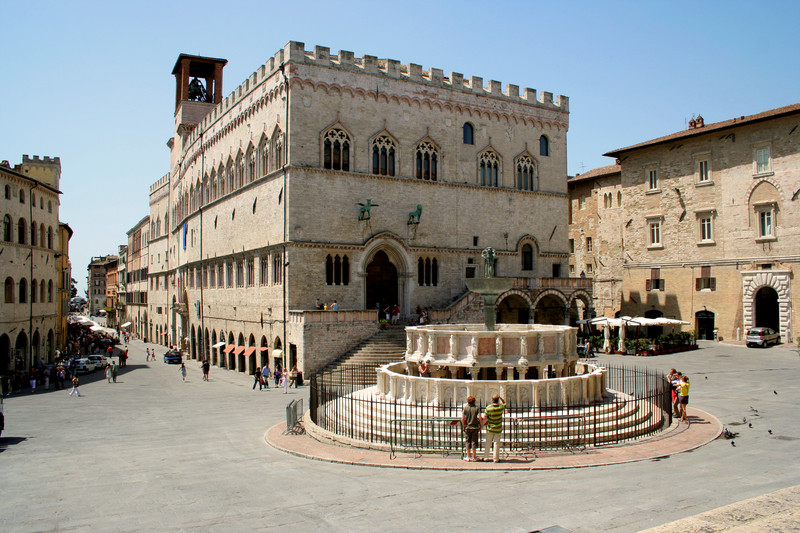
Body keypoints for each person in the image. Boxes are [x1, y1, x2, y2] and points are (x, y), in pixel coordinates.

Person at [483, 394, 506, 463]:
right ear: (498, 400)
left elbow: (485, 417)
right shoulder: (500, 407)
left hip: (490, 428)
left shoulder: (488, 408)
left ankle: (486, 457)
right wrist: (501, 397)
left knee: (488, 443)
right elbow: (505, 403)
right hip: (498, 428)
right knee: (496, 443)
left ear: (492, 400)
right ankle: (496, 458)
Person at [462, 395, 482, 462]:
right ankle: (474, 456)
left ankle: (468, 456)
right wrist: (481, 425)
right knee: (474, 442)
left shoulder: (465, 408)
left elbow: (463, 418)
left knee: (468, 442)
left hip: (467, 427)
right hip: (475, 427)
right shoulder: (477, 408)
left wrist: (463, 426)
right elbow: (479, 417)